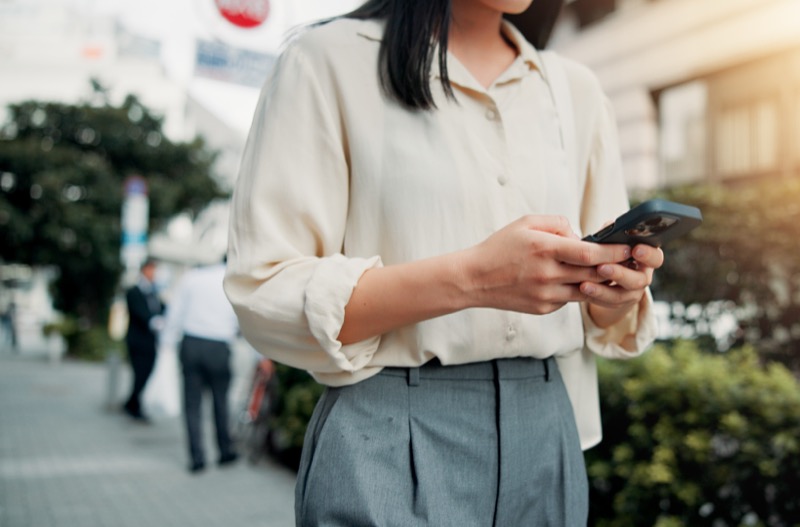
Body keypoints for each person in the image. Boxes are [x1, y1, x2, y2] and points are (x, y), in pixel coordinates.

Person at [224, 0, 664, 525]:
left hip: (547, 429)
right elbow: (265, 290)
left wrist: (617, 292)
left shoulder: (576, 91)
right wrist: (474, 278)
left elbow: (601, 316)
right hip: (389, 425)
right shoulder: (327, 62)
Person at [160, 258, 241, 473]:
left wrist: (166, 344)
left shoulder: (191, 277)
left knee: (192, 404)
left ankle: (197, 458)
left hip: (192, 343)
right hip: (219, 345)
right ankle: (225, 451)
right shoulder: (233, 280)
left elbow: (174, 313)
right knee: (221, 402)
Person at [122, 258, 164, 422]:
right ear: (145, 270)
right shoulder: (134, 291)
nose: (154, 273)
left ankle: (132, 403)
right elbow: (140, 314)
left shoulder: (154, 292)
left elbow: (160, 308)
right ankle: (133, 405)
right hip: (137, 341)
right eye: (152, 270)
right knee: (140, 373)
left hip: (150, 341)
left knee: (146, 372)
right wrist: (156, 322)